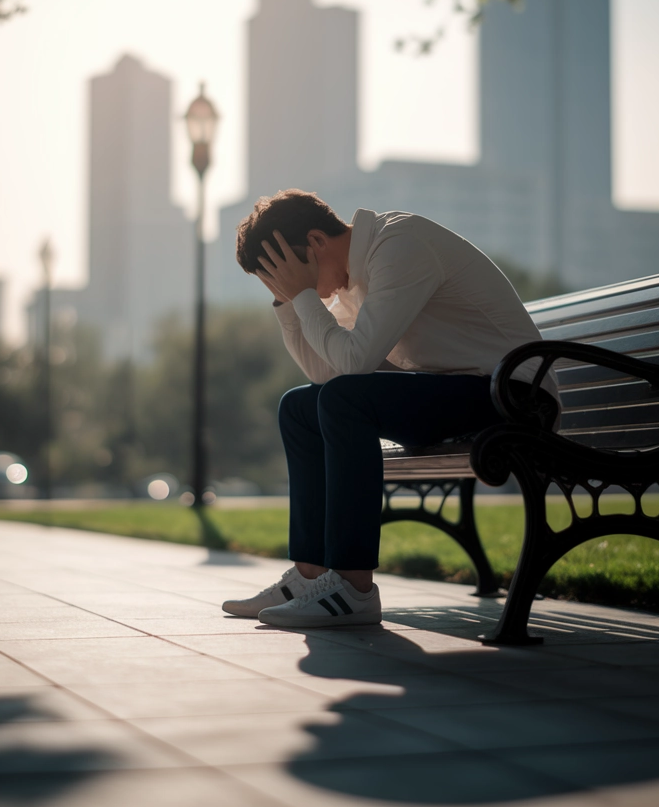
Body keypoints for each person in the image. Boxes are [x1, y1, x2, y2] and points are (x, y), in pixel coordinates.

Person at [221, 189, 559, 628]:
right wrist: (289, 303)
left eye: (282, 276)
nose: (283, 288)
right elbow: (327, 374)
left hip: (514, 396)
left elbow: (354, 365)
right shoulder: (351, 285)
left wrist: (303, 297)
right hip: (456, 394)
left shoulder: (398, 245)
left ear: (317, 243)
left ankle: (353, 588)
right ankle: (312, 575)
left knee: (344, 401)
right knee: (299, 407)